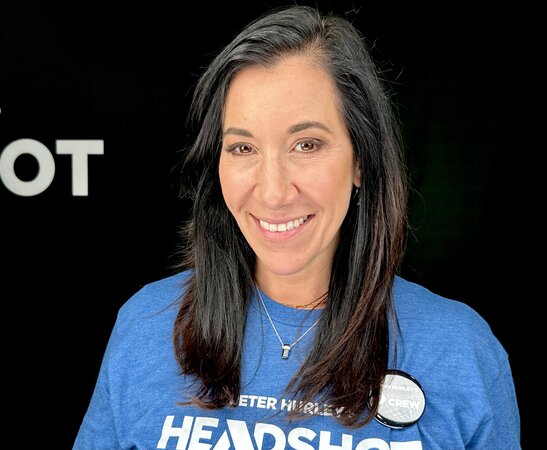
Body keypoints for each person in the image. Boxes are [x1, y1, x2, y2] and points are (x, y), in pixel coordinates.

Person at [73, 5, 521, 449]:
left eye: (306, 144)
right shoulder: (145, 325)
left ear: (361, 159)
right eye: (243, 148)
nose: (273, 193)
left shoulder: (460, 350)